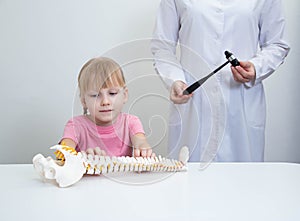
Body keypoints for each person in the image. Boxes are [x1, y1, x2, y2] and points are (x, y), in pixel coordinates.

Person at [151, 0, 290, 162]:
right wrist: (174, 79)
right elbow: (162, 47)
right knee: (189, 181)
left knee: (243, 182)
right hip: (192, 101)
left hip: (241, 105)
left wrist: (257, 67)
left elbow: (277, 44)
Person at [60, 57, 154, 157]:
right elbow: (64, 150)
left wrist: (144, 151)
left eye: (112, 93)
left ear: (125, 95)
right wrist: (80, 158)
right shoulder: (76, 126)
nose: (105, 102)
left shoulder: (131, 122)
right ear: (84, 101)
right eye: (95, 95)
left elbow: (140, 142)